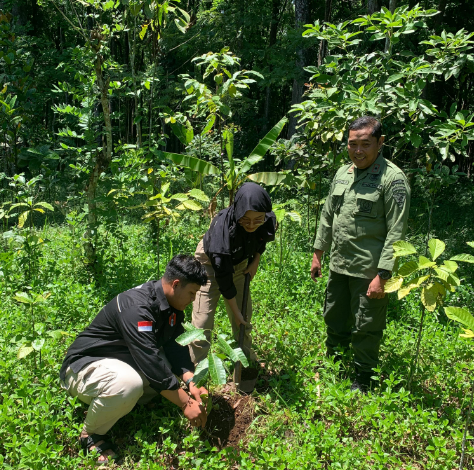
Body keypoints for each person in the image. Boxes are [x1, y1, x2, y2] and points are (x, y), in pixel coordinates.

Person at [60, 255, 209, 464]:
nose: (193, 300)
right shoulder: (137, 307)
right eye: (192, 293)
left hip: (120, 362)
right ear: (176, 284)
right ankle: (91, 435)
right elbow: (148, 359)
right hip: (83, 368)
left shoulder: (171, 306)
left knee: (162, 365)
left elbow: (175, 346)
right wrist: (185, 403)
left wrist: (191, 382)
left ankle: (124, 402)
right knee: (129, 383)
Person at [311, 116, 410, 393]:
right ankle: (336, 362)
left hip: (369, 271)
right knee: (334, 316)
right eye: (352, 144)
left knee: (366, 325)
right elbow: (328, 215)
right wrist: (318, 253)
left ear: (380, 143)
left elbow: (396, 232)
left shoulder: (393, 180)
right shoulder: (343, 173)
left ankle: (364, 377)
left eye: (365, 144)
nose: (358, 151)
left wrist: (383, 275)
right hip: (339, 265)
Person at [189, 182, 277, 365]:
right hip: (210, 265)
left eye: (257, 219)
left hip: (240, 262)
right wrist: (235, 312)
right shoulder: (222, 229)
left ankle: (244, 359)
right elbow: (223, 278)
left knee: (244, 317)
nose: (252, 225)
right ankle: (196, 368)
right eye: (246, 220)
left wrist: (255, 260)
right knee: (203, 320)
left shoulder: (265, 218)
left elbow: (263, 239)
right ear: (237, 212)